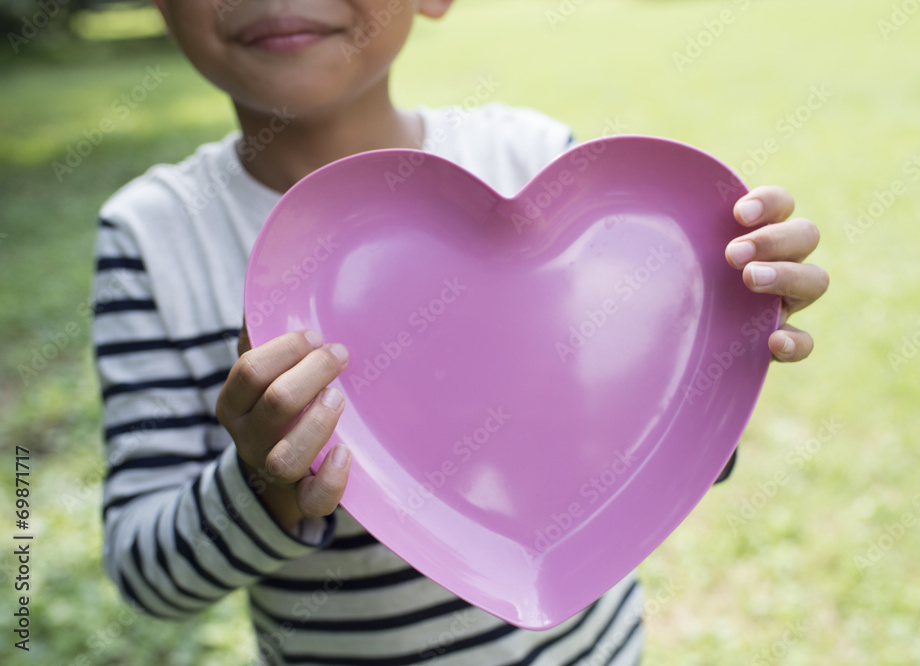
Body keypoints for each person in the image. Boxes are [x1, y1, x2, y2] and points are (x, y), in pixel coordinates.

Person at [91, 0, 830, 664]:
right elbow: (147, 575)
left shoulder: (542, 160)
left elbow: (625, 438)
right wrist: (263, 481)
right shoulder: (152, 238)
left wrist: (711, 346)